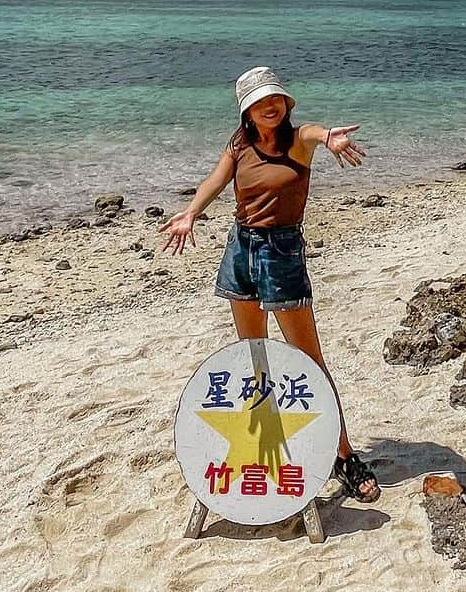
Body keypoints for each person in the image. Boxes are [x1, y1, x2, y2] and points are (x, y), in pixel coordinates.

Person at [160, 65, 381, 504]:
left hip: (281, 254)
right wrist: (190, 213)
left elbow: (316, 133)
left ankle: (344, 455)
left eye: (275, 98)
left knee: (309, 361)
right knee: (254, 358)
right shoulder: (239, 143)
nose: (270, 106)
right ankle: (267, 448)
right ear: (247, 110)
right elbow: (216, 180)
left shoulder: (297, 142)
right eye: (260, 101)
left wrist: (329, 138)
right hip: (240, 250)